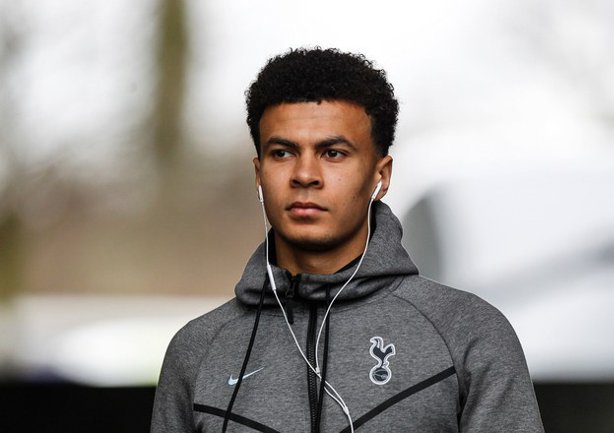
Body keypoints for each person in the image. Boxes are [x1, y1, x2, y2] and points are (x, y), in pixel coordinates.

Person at [151, 47, 545, 433]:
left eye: (333, 153)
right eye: (283, 153)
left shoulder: (468, 333)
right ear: (259, 173)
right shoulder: (197, 351)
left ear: (381, 176)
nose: (305, 175)